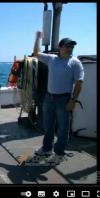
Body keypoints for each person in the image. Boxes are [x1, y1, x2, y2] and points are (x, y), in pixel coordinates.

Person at [33, 31, 84, 165]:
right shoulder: (52, 59)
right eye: (67, 46)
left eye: (72, 47)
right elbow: (36, 53)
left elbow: (79, 83)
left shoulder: (75, 63)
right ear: (60, 47)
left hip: (64, 99)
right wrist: (37, 38)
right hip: (49, 97)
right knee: (48, 125)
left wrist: (73, 101)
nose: (70, 48)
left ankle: (59, 153)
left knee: (63, 128)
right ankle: (47, 148)